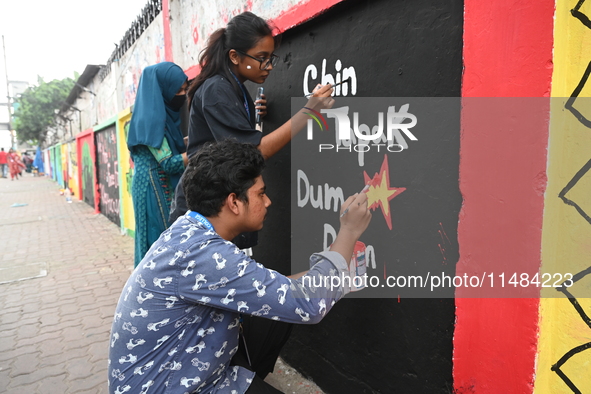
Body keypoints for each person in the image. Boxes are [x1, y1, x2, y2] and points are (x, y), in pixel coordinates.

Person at [108, 140, 372, 394]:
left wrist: (338, 275)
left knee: (275, 309)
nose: (268, 202)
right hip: (168, 387)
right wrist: (348, 232)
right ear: (234, 202)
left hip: (179, 371)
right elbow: (309, 305)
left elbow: (279, 290)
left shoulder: (190, 232)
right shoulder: (202, 254)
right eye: (260, 193)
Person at [169, 11, 335, 236]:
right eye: (261, 57)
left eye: (271, 57)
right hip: (206, 210)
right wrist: (310, 110)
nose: (269, 66)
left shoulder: (233, 86)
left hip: (219, 203)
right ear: (235, 57)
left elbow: (233, 137)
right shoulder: (217, 89)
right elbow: (254, 152)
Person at [127, 62, 190, 267]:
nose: (182, 94)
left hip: (152, 183)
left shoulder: (154, 115)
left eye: (184, 89)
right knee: (159, 239)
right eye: (178, 90)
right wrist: (199, 150)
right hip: (153, 188)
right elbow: (169, 163)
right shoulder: (153, 120)